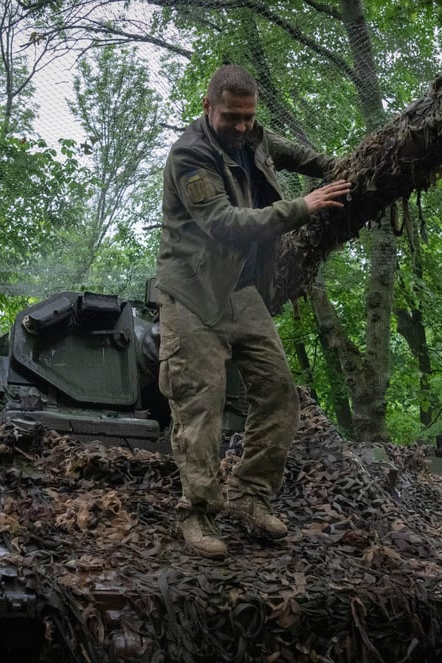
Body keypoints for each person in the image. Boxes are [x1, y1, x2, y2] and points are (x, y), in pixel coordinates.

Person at [156, 64, 352, 558]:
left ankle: (249, 496)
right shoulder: (190, 155)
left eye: (248, 117)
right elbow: (226, 224)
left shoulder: (253, 135)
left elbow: (294, 153)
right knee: (203, 403)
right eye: (231, 118)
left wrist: (339, 166)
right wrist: (304, 207)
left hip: (240, 291)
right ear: (207, 107)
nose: (242, 127)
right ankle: (197, 513)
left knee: (279, 393)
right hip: (193, 295)